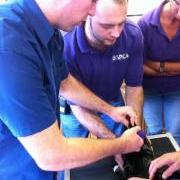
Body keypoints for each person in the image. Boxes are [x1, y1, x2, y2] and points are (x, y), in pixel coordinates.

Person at [0, 0, 144, 179]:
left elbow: (65, 83)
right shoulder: (9, 46)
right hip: (19, 172)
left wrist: (110, 110)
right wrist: (120, 145)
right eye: (92, 1)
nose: (92, 10)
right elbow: (51, 155)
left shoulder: (51, 32)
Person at [61, 0, 144, 168]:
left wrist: (135, 130)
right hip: (75, 108)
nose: (117, 33)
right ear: (87, 15)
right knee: (77, 161)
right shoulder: (66, 46)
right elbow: (76, 103)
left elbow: (134, 87)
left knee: (123, 154)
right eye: (107, 26)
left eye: (121, 23)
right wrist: (114, 143)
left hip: (113, 101)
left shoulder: (133, 35)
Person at [138, 0, 180, 145]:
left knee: (175, 132)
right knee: (154, 132)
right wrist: (173, 69)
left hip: (176, 89)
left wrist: (158, 66)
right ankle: (155, 166)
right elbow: (138, 65)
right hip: (149, 88)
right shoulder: (145, 24)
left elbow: (146, 63)